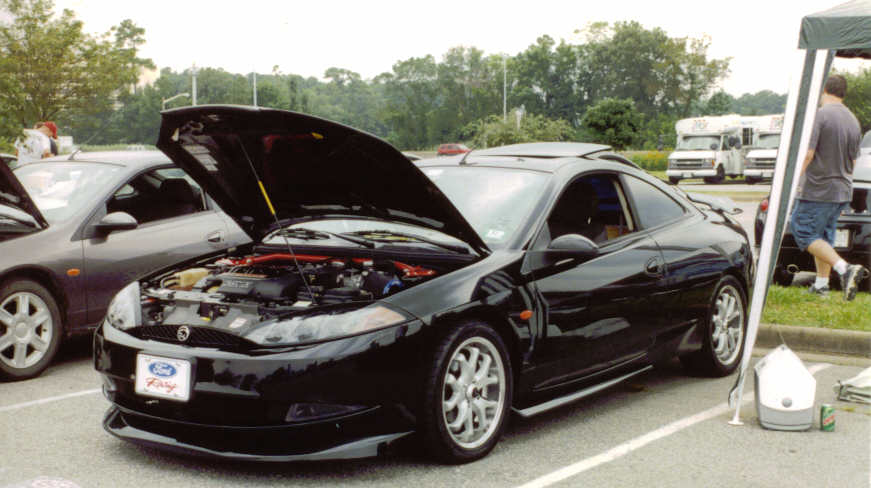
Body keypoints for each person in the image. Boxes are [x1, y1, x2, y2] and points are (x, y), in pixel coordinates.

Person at [791, 74, 869, 300]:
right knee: (823, 237)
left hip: (818, 188)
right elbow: (854, 161)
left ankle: (845, 269)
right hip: (842, 190)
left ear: (824, 89)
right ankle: (822, 285)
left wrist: (796, 181)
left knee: (803, 231)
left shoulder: (820, 115)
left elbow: (808, 154)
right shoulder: (853, 120)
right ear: (844, 93)